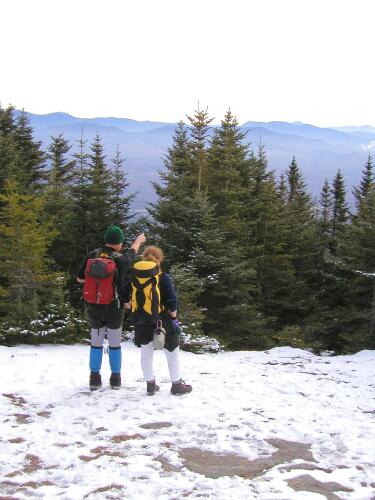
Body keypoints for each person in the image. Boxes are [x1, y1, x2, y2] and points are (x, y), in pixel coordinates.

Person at [77, 225, 146, 390]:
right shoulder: (121, 259)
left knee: (96, 342)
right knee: (115, 343)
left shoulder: (92, 255)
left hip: (94, 305)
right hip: (115, 307)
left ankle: (94, 377)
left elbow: (79, 279)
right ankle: (115, 378)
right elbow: (133, 251)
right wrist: (138, 241)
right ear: (119, 243)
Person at [126, 245, 192, 396]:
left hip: (141, 320)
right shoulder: (163, 277)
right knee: (172, 350)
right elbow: (172, 300)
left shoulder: (134, 277)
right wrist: (173, 317)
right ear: (159, 260)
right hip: (162, 320)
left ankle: (150, 385)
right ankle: (176, 385)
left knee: (146, 352)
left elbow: (125, 294)